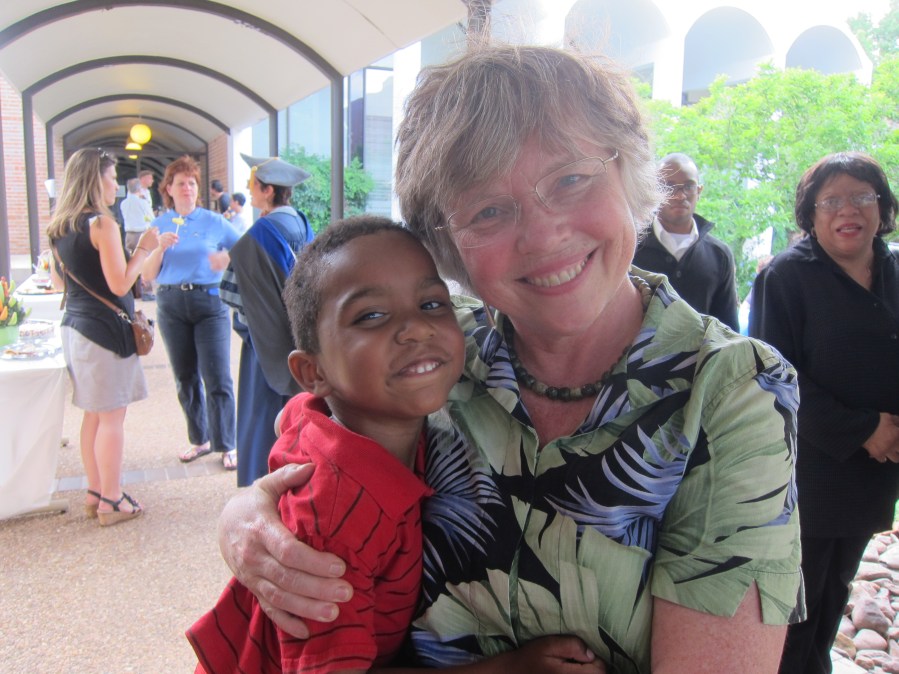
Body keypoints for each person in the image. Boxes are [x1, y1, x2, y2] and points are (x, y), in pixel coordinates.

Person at [217, 43, 803, 673]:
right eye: (489, 210)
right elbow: (314, 442)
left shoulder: (732, 389)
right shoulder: (433, 353)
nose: (543, 235)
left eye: (571, 179)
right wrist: (248, 518)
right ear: (447, 244)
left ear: (629, 173)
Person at [188, 216, 474, 673]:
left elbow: (295, 414)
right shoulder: (336, 521)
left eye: (432, 303)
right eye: (371, 315)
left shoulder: (328, 422)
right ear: (313, 372)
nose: (417, 328)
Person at [749, 151, 899, 674]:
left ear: (882, 207)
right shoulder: (786, 277)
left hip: (874, 471)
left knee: (835, 588)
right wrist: (865, 430)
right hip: (806, 473)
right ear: (810, 215)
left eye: (861, 197)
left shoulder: (894, 270)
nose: (847, 210)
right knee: (793, 605)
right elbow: (772, 376)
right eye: (831, 201)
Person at [47, 148, 159, 526]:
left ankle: (95, 491)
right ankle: (112, 500)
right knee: (112, 418)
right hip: (105, 333)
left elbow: (58, 284)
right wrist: (144, 250)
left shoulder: (59, 228)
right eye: (111, 177)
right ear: (95, 180)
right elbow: (120, 284)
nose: (116, 185)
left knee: (93, 416)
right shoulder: (102, 225)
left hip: (76, 328)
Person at [219, 153, 314, 485]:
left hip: (265, 346)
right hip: (304, 343)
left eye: (252, 184)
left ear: (268, 190)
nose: (248, 190)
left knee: (263, 419)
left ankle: (264, 484)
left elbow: (233, 295)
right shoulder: (302, 223)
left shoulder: (259, 234)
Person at [142, 155, 241, 469]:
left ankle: (227, 444)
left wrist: (223, 261)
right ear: (168, 189)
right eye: (181, 183)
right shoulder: (158, 225)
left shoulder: (213, 221)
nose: (187, 188)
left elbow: (244, 249)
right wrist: (160, 248)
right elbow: (146, 274)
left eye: (192, 183)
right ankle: (200, 439)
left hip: (209, 303)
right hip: (171, 304)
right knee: (185, 377)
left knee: (217, 376)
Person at [632, 153, 740, 331]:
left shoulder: (719, 255)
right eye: (669, 186)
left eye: (688, 186)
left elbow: (728, 330)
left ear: (699, 191)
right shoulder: (632, 246)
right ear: (655, 191)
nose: (680, 195)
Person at [120, 177, 157, 300]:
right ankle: (147, 292)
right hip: (141, 233)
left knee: (131, 263)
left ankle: (134, 290)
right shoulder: (142, 203)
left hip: (129, 235)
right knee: (145, 261)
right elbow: (151, 218)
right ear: (139, 189)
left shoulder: (123, 203)